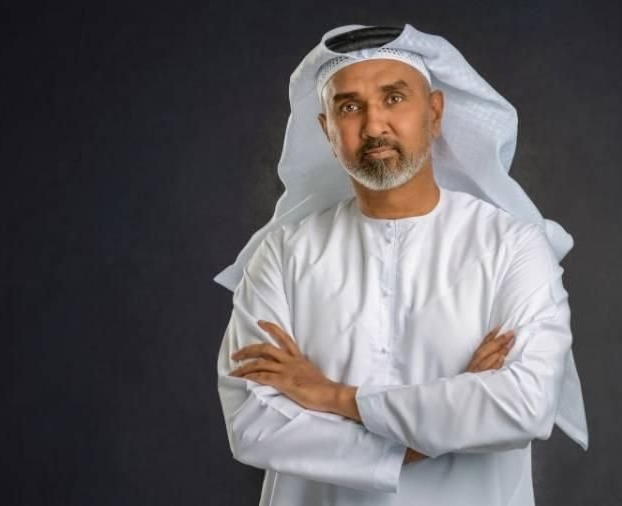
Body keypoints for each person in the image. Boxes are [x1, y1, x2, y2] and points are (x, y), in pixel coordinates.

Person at [214, 24, 589, 506]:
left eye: (394, 98)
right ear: (327, 130)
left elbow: (524, 405)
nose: (374, 126)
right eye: (349, 107)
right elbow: (253, 425)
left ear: (434, 113)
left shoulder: (513, 247)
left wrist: (332, 396)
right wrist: (439, 430)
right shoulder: (283, 255)